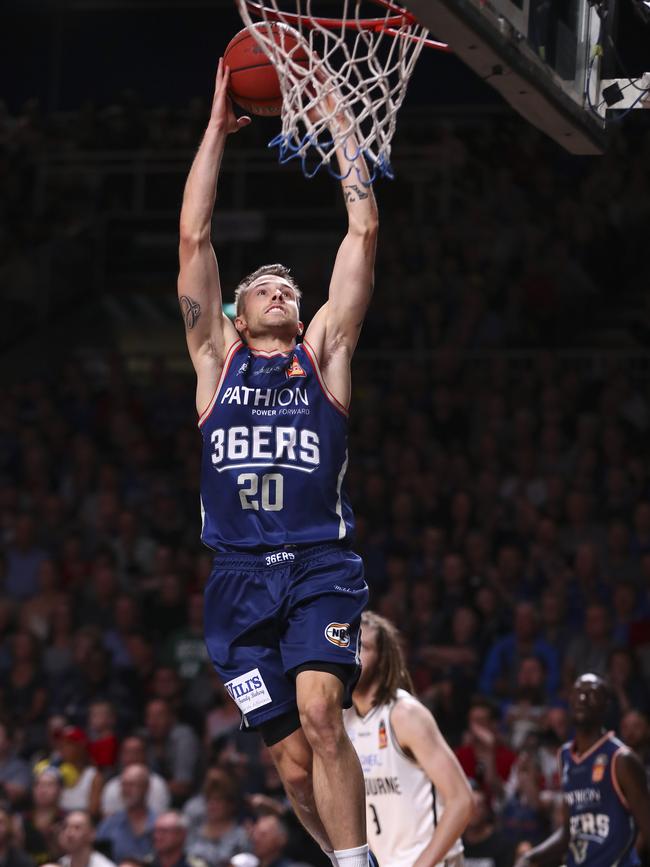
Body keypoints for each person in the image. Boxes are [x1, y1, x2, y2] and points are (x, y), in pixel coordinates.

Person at [178, 55, 378, 867]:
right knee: (294, 766)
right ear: (235, 309)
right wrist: (216, 130)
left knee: (324, 711)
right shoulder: (214, 360)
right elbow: (194, 235)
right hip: (234, 583)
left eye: (288, 286)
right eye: (263, 284)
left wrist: (339, 119)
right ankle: (338, 853)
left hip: (319, 565)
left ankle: (363, 862)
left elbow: (362, 232)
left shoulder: (323, 352)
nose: (280, 289)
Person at [344, 611, 473, 867]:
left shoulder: (404, 714)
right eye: (348, 646)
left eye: (363, 647)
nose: (352, 656)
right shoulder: (342, 720)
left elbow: (462, 800)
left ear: (382, 661)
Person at [514, 673, 650, 867]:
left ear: (606, 705)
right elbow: (568, 832)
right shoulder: (565, 756)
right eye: (577, 693)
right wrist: (530, 858)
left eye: (591, 693)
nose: (582, 699)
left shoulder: (621, 759)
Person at [95, 764, 155, 863]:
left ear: (146, 787)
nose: (126, 790)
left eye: (132, 785)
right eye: (124, 785)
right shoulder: (109, 824)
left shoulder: (160, 825)